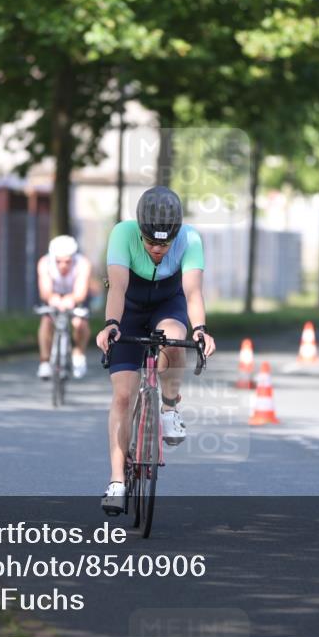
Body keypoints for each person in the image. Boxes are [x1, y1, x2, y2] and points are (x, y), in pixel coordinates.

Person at [95, 186, 216, 513]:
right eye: (150, 243)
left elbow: (193, 292)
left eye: (165, 244)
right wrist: (111, 324)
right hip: (129, 308)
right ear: (140, 231)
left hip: (167, 303)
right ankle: (117, 481)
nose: (157, 250)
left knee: (175, 337)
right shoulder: (123, 233)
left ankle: (169, 407)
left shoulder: (190, 238)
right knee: (123, 396)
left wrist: (200, 330)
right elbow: (117, 287)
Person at [36, 235, 92, 379]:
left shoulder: (82, 263)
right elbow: (45, 291)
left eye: (67, 261)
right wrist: (53, 298)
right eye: (58, 261)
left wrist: (71, 299)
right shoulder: (44, 263)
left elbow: (80, 292)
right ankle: (44, 361)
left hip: (75, 297)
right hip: (53, 296)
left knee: (80, 324)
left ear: (73, 257)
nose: (63, 266)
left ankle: (79, 355)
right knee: (46, 321)